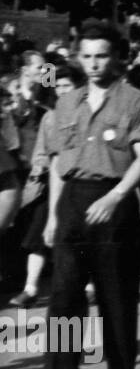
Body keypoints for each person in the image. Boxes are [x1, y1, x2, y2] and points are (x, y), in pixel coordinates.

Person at [30, 21, 140, 369]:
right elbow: (56, 164)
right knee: (64, 297)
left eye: (101, 55)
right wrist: (53, 216)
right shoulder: (67, 102)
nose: (94, 63)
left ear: (118, 57)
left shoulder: (134, 101)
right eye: (86, 56)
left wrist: (117, 196)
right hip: (72, 201)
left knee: (116, 296)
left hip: (113, 203)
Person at [10, 64, 83, 309]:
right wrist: (37, 170)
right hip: (50, 184)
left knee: (81, 236)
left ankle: (89, 285)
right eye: (59, 86)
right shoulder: (50, 117)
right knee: (39, 234)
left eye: (68, 86)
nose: (62, 90)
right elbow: (41, 150)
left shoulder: (87, 113)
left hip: (78, 183)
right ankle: (30, 288)